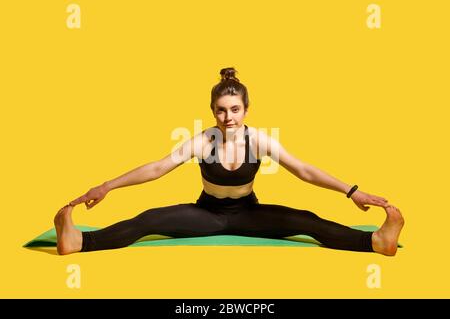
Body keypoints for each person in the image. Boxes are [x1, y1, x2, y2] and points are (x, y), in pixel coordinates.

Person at [54, 67, 404, 256]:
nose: (228, 117)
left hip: (249, 213)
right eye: (221, 110)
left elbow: (304, 170)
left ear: (246, 110)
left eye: (235, 109)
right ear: (213, 112)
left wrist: (352, 191)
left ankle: (374, 242)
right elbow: (157, 167)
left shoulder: (259, 140)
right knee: (149, 220)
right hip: (206, 214)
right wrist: (106, 186)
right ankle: (78, 242)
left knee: (307, 221)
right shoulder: (203, 140)